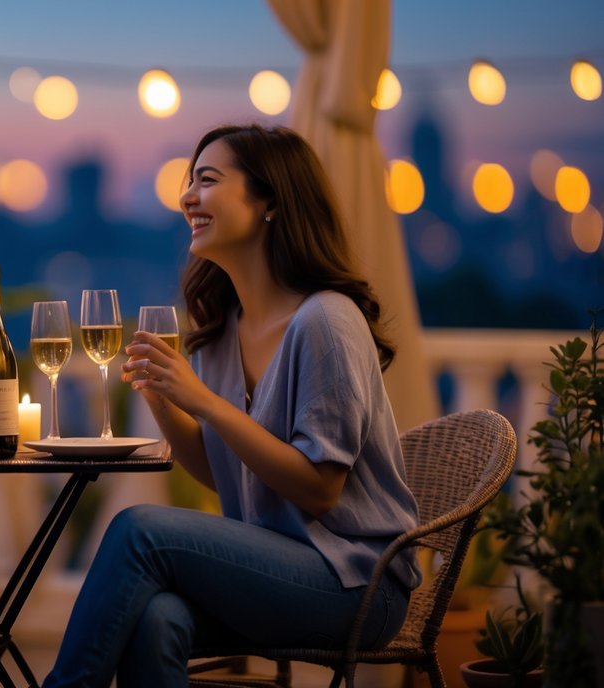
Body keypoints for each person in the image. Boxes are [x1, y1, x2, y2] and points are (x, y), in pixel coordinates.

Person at [44, 124, 422, 688]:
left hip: (356, 583)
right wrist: (162, 397)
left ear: (270, 201)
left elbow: (321, 487)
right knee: (156, 618)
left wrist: (203, 402)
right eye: (189, 182)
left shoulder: (326, 321)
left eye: (208, 180)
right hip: (273, 565)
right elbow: (221, 473)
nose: (188, 197)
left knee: (139, 529)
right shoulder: (223, 328)